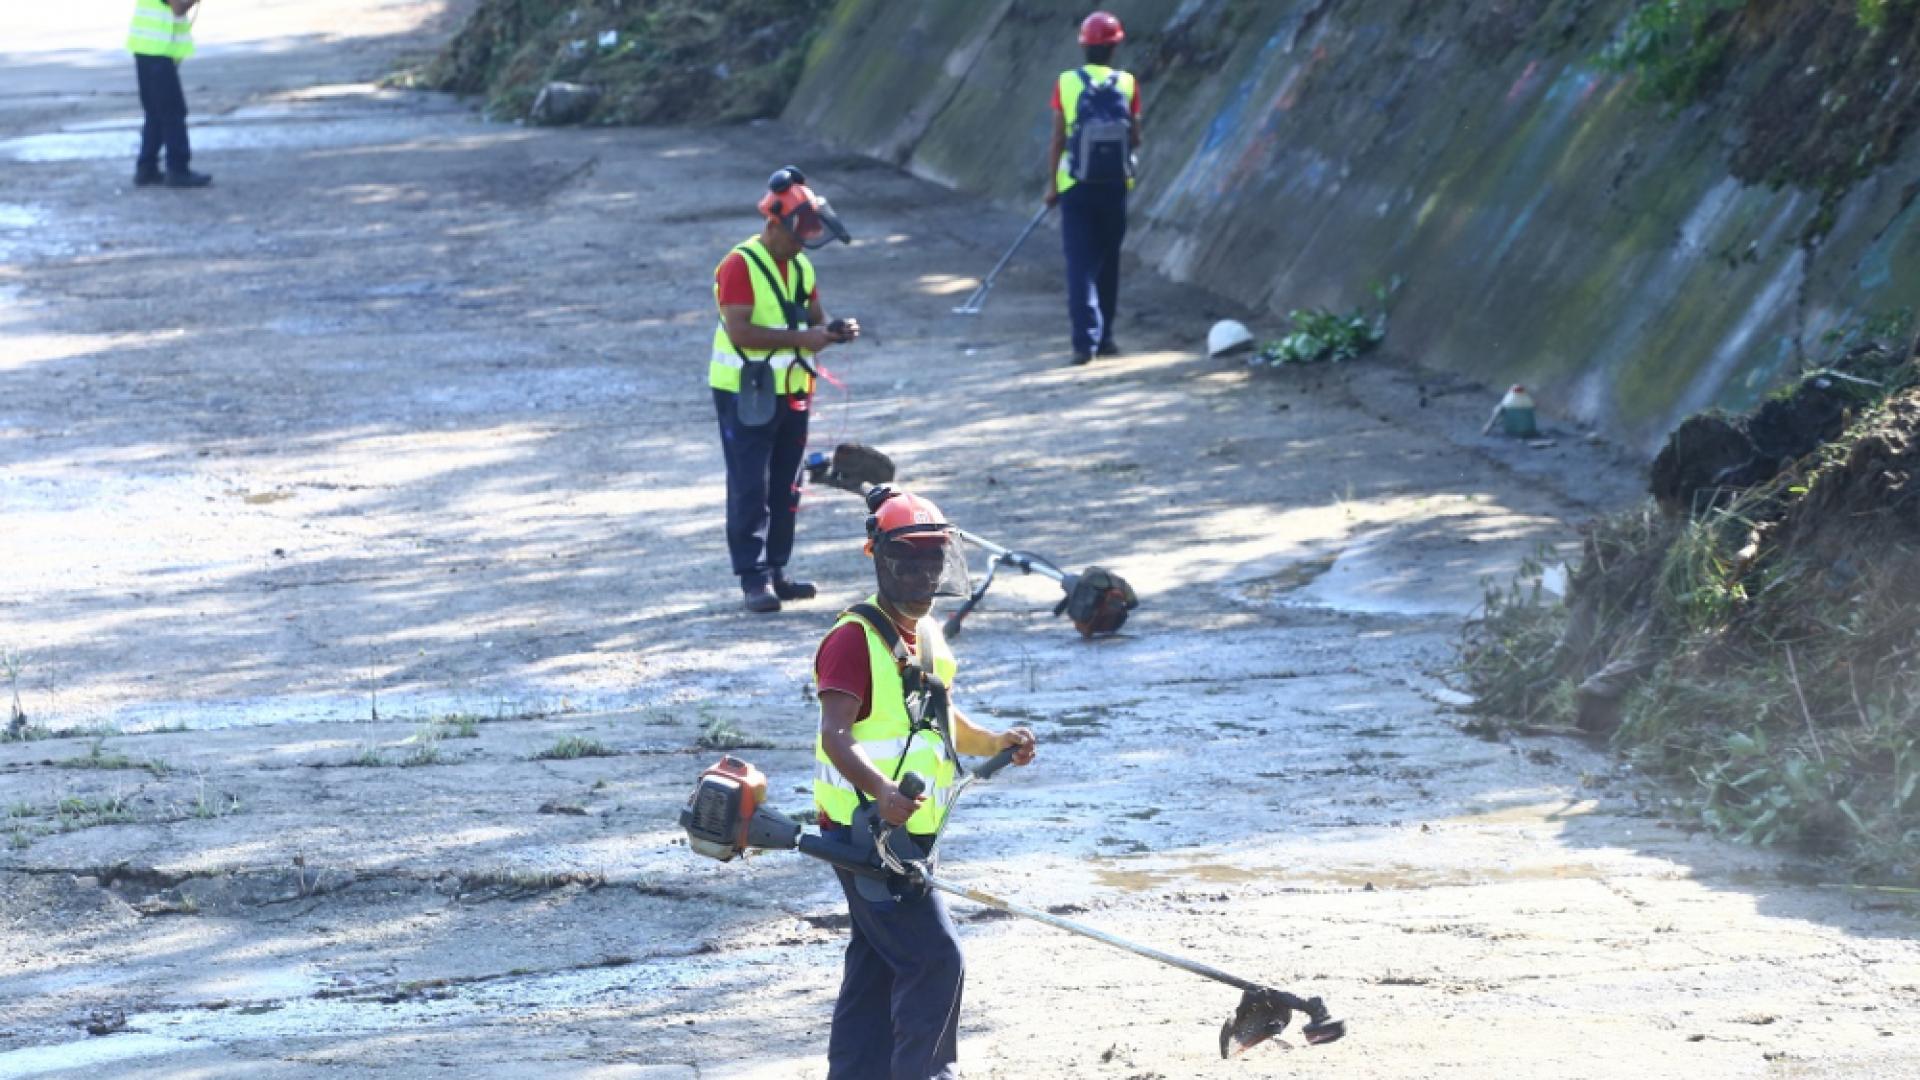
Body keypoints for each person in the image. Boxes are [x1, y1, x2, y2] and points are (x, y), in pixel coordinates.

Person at [812, 487, 1037, 1080]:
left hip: (910, 832)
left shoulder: (928, 634)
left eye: (933, 559)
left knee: (877, 963)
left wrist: (995, 742)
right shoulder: (850, 640)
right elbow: (836, 735)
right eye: (907, 561)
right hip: (866, 834)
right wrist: (883, 792)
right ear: (877, 558)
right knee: (936, 957)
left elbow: (942, 721)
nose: (923, 573)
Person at [711, 166, 859, 613]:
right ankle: (752, 577)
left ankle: (777, 570)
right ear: (773, 223)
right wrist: (803, 340)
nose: (801, 244)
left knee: (786, 485)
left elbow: (814, 317)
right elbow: (739, 331)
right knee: (750, 485)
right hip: (746, 391)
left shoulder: (800, 264)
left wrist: (832, 330)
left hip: (792, 388)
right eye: (797, 235)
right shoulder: (740, 264)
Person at [1045, 10, 1141, 366]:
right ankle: (1108, 340)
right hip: (1115, 184)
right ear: (1115, 48)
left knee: (1080, 265)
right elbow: (1135, 136)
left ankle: (1083, 345)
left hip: (1076, 186)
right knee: (1108, 262)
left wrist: (1053, 185)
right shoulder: (1128, 83)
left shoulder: (1066, 82)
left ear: (1084, 47)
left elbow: (1057, 138)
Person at [129, 0, 212, 188]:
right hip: (158, 50)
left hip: (145, 47)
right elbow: (178, 8)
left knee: (155, 113)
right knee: (173, 112)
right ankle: (177, 169)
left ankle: (146, 168)